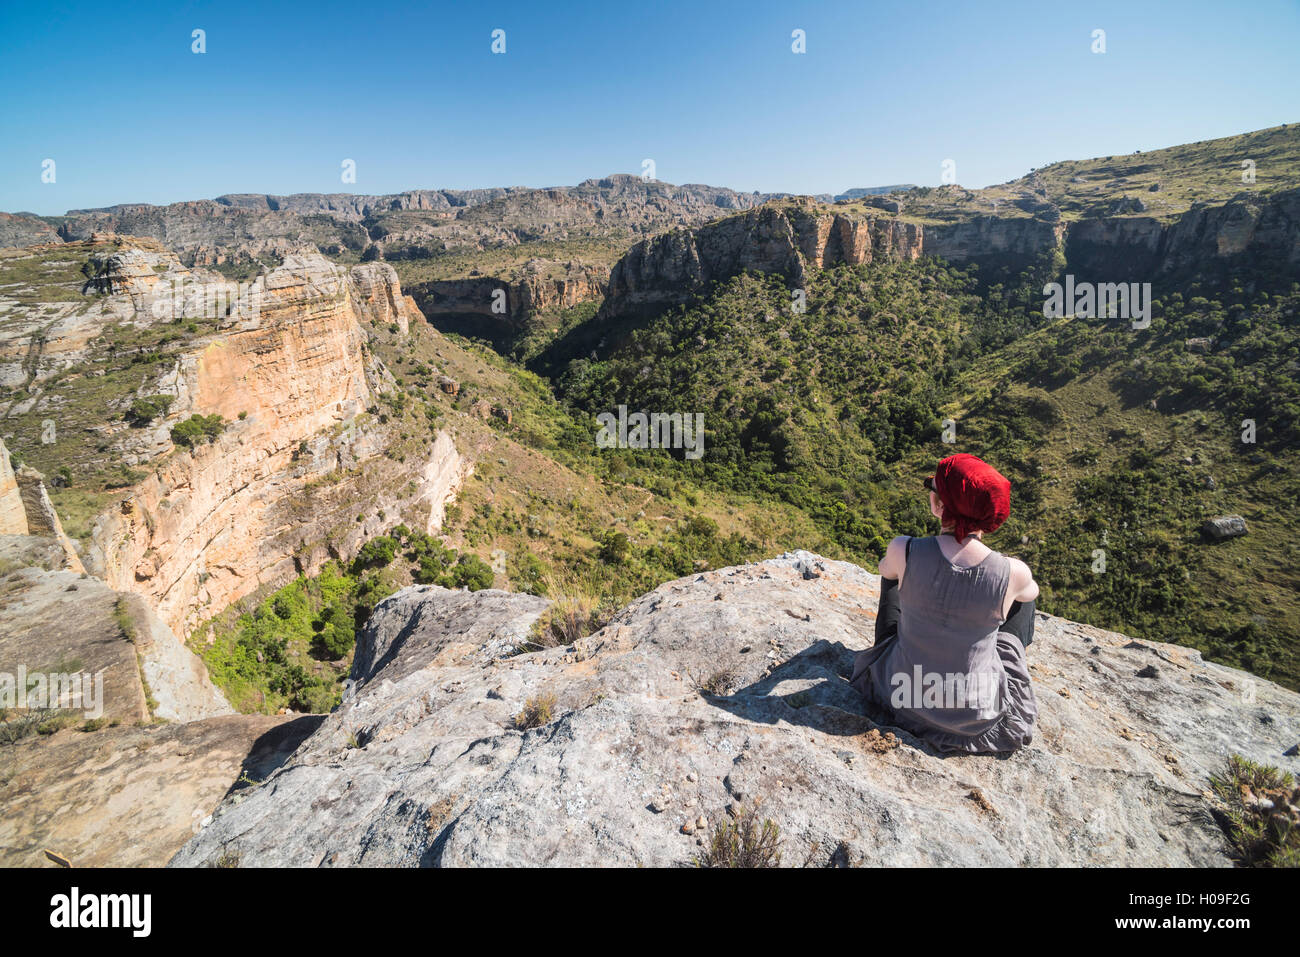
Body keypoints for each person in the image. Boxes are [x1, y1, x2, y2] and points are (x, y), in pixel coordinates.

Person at [849, 453, 1039, 754]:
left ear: (938, 506)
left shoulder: (904, 548)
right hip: (977, 715)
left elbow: (885, 570)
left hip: (903, 696)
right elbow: (1030, 593)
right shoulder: (1012, 571)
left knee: (894, 578)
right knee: (1024, 601)